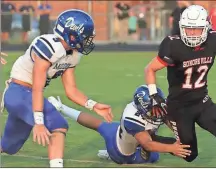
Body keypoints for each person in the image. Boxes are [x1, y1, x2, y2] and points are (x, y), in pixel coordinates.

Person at [144, 5, 216, 168]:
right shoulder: (173, 45)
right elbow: (150, 68)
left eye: (197, 29)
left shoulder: (213, 40)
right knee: (189, 155)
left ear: (206, 28)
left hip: (202, 102)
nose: (192, 34)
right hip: (179, 107)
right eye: (188, 29)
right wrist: (153, 94)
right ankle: (145, 139)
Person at [0, 9, 113, 168]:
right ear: (71, 35)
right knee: (58, 125)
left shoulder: (72, 55)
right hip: (18, 92)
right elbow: (38, 87)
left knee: (8, 147)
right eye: (86, 36)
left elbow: (71, 90)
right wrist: (39, 122)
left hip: (28, 97)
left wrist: (93, 105)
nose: (88, 41)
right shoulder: (49, 46)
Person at [47, 85, 191, 164]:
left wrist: (178, 130)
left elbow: (166, 117)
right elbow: (147, 144)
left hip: (118, 132)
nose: (157, 112)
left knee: (99, 125)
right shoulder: (132, 120)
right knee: (153, 156)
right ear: (142, 109)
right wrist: (172, 147)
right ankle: (110, 155)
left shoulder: (148, 106)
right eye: (153, 109)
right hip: (122, 152)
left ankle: (61, 108)